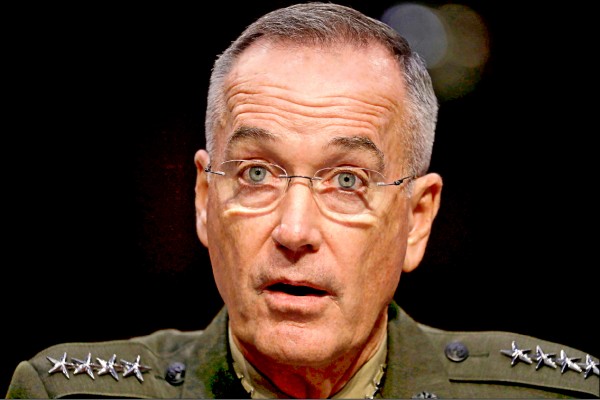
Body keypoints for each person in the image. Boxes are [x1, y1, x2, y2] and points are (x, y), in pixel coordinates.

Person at [5, 2, 598, 399]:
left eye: (348, 182)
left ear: (417, 220)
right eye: (257, 173)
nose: (294, 231)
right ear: (205, 200)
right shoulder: (66, 394)